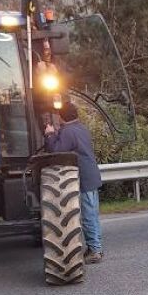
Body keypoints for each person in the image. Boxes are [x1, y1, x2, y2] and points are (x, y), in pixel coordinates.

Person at [44, 101, 104, 263]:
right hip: (91, 175)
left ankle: (95, 250)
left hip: (84, 177)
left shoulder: (68, 131)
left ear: (61, 117)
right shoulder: (81, 128)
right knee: (92, 214)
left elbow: (56, 151)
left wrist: (50, 134)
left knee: (88, 215)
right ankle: (96, 247)